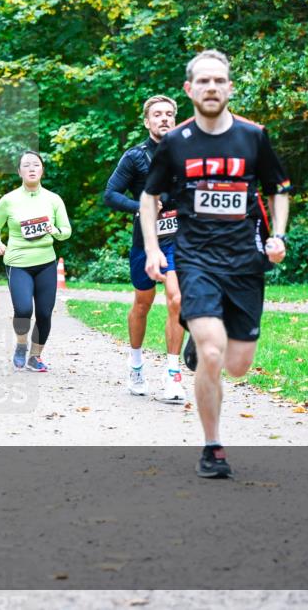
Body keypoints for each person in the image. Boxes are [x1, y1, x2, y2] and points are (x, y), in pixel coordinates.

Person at [140, 50, 291, 479]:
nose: (211, 87)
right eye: (203, 81)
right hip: (195, 258)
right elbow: (149, 196)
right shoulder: (176, 143)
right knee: (212, 351)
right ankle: (212, 447)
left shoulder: (253, 137)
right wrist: (154, 249)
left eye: (218, 81)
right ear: (189, 89)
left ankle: (204, 337)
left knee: (238, 365)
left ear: (229, 87)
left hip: (245, 261)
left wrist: (277, 236)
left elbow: (279, 187)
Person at [104, 95, 186, 401]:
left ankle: (173, 374)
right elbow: (110, 194)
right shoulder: (135, 157)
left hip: (179, 239)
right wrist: (140, 206)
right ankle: (136, 363)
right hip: (145, 241)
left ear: (175, 120)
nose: (164, 119)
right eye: (157, 115)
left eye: (169, 114)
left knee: (176, 299)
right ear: (147, 121)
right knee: (143, 303)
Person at [0, 151, 72, 373]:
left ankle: (35, 356)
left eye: (36, 164)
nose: (32, 168)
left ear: (42, 169)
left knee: (44, 313)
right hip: (17, 262)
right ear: (19, 172)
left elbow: (66, 231)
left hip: (46, 262)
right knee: (24, 309)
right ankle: (21, 344)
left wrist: (54, 231)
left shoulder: (54, 199)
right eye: (27, 165)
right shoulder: (8, 200)